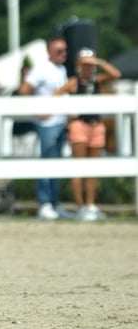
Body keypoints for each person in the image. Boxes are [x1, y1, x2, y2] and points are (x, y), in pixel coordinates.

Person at [59, 47, 121, 221]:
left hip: (96, 125)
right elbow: (55, 96)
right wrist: (68, 111)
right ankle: (80, 206)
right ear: (79, 64)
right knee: (79, 167)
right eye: (85, 63)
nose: (88, 67)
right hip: (80, 124)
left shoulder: (97, 81)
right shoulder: (73, 82)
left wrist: (99, 62)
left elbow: (116, 74)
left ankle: (90, 205)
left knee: (93, 169)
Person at [18, 36, 70, 220]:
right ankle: (45, 203)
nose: (63, 54)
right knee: (46, 162)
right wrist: (37, 112)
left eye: (65, 51)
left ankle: (54, 203)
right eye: (59, 51)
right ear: (49, 52)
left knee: (56, 164)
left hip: (60, 122)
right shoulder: (41, 69)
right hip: (47, 124)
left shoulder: (61, 69)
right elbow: (24, 90)